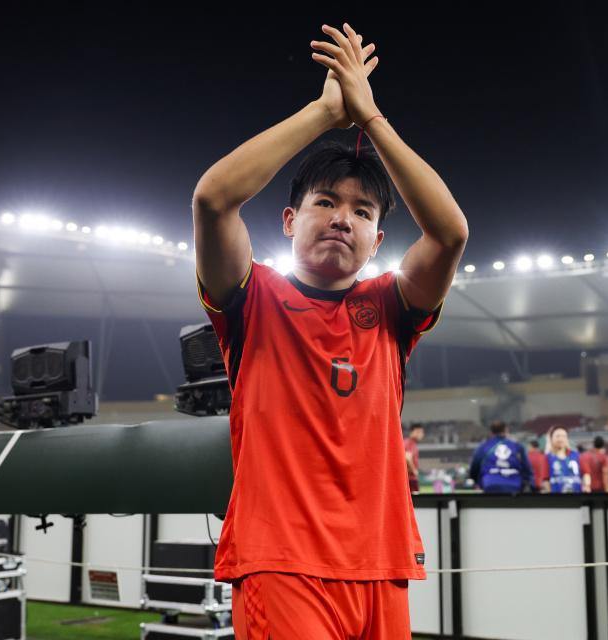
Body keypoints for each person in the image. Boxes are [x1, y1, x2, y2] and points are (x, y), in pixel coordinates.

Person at [192, 22, 469, 639]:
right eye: (326, 202)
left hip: (382, 562)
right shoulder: (252, 297)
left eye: (362, 211)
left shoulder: (391, 307)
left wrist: (371, 118)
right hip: (281, 562)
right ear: (289, 220)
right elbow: (213, 199)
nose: (343, 218)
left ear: (377, 240)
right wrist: (324, 114)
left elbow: (450, 232)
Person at [468, 421, 533, 493]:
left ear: (491, 432)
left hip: (490, 483)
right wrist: (527, 483)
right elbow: (526, 468)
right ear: (506, 430)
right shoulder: (517, 446)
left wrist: (479, 482)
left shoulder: (483, 447)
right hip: (514, 485)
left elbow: (475, 467)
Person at [543, 426, 590, 493]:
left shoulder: (576, 456)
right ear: (551, 438)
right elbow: (546, 480)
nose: (560, 439)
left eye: (563, 436)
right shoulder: (548, 458)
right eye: (557, 436)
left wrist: (586, 486)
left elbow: (586, 474)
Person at [405, 424, 425, 492]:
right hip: (410, 479)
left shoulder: (409, 443)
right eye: (421, 432)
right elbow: (407, 457)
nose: (422, 435)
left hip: (408, 479)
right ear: (415, 431)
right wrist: (414, 471)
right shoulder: (410, 443)